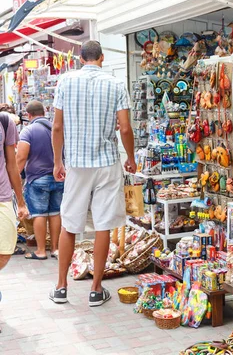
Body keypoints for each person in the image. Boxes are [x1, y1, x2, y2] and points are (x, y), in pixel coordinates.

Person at [50, 40, 136, 307]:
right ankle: (96, 290)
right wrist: (131, 158)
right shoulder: (116, 84)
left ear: (80, 58)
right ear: (101, 58)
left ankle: (61, 287)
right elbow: (124, 128)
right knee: (103, 225)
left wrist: (57, 162)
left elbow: (57, 127)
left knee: (70, 224)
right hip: (107, 162)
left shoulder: (65, 82)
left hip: (76, 163)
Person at [17, 100, 63, 260]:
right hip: (58, 177)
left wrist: (15, 176)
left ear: (29, 115)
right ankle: (55, 249)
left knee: (39, 214)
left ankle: (41, 250)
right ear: (43, 112)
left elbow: (21, 156)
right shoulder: (55, 128)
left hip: (37, 178)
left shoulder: (28, 131)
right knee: (56, 213)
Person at [0, 109, 29, 332]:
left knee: (5, 251)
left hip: (2, 197)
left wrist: (20, 201)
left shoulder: (4, 121)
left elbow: (12, 163)